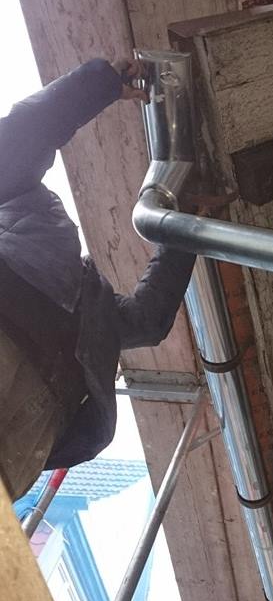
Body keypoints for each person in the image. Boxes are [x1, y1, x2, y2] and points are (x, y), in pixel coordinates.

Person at [0, 58, 196, 501]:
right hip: (38, 426)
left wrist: (102, 83)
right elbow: (19, 139)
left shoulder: (79, 302)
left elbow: (20, 138)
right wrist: (184, 227)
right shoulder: (77, 306)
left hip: (37, 426)